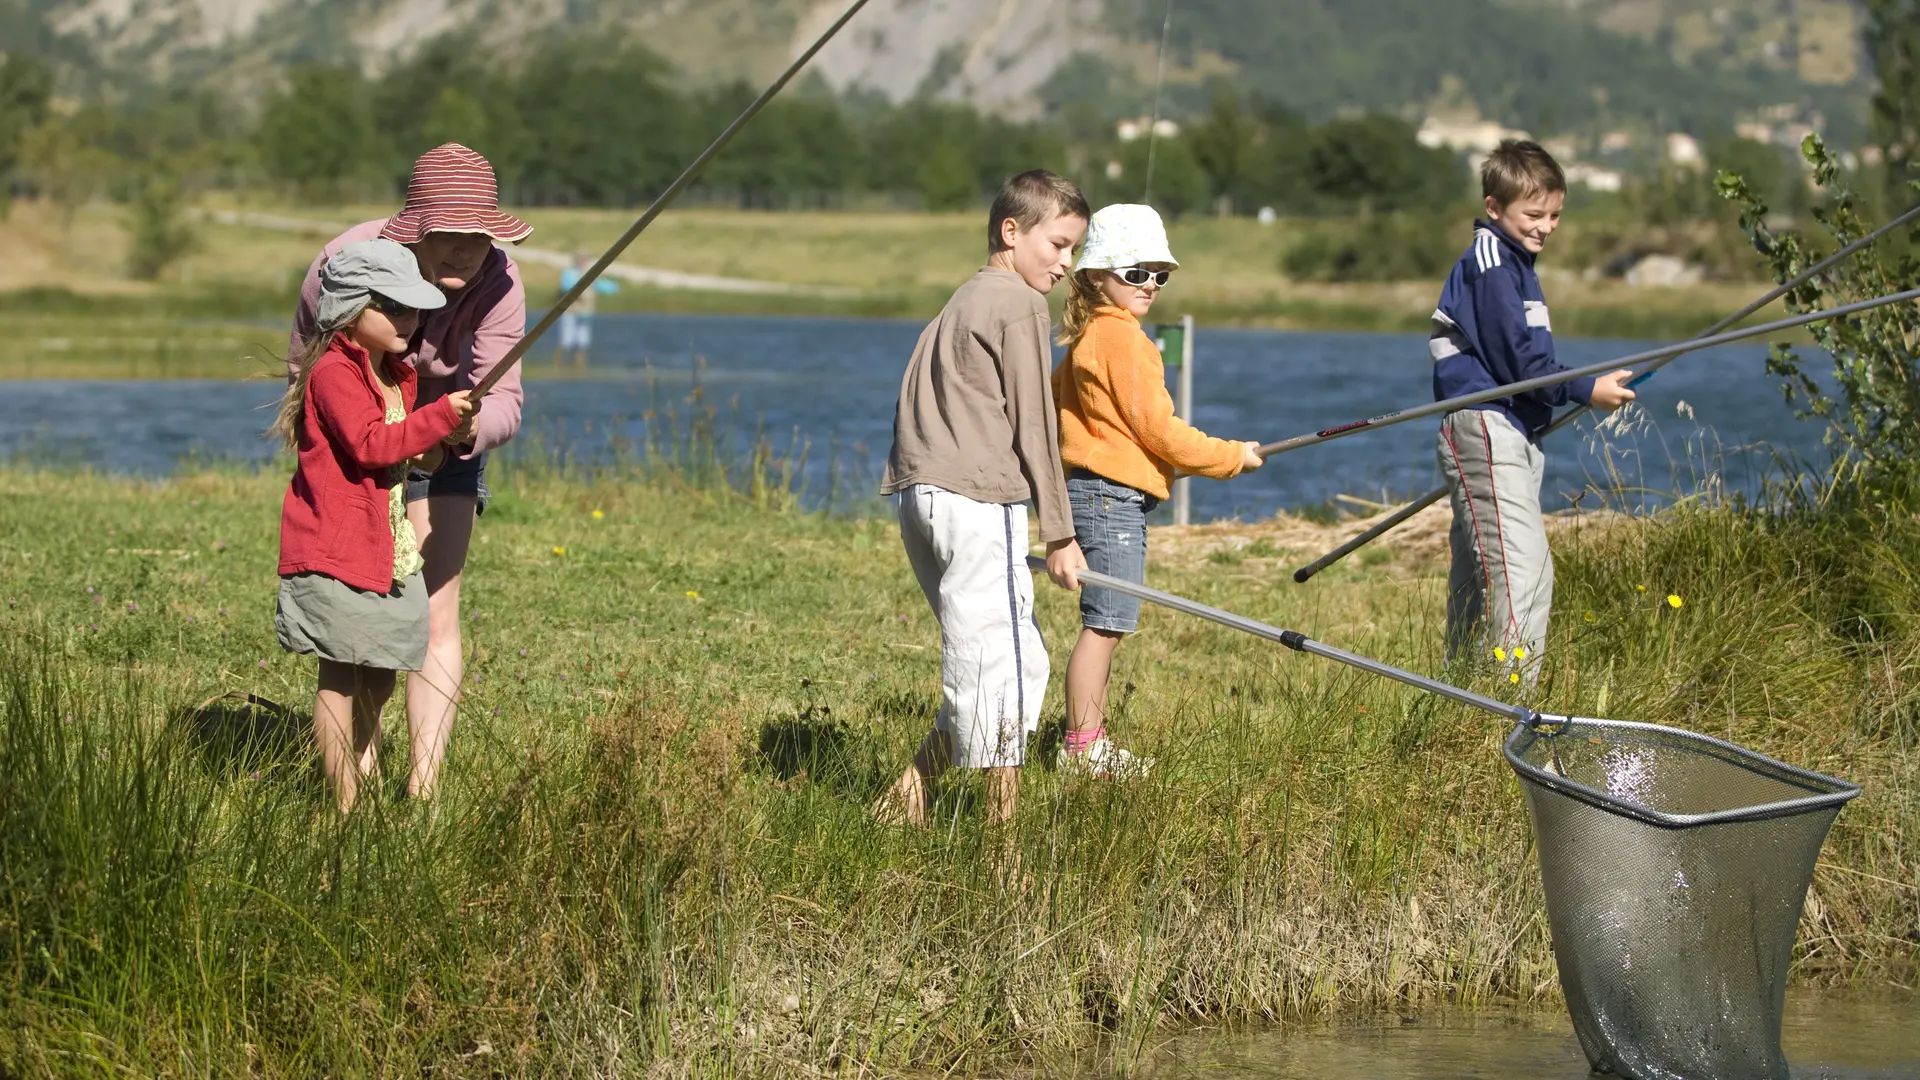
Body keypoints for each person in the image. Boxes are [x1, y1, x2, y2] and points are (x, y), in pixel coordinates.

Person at [289, 143, 531, 801]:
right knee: (368, 604)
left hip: (450, 438)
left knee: (434, 607)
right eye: (444, 238)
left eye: (475, 238)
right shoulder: (345, 267)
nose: (462, 254)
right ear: (412, 230)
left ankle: (421, 791)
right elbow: (304, 372)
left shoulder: (501, 283)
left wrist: (465, 430)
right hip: (357, 445)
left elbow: (504, 398)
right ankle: (354, 779)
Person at [874, 170, 1091, 827]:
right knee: (1005, 669)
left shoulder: (958, 302)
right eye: (1058, 245)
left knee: (1010, 661)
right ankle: (1005, 849)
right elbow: (1035, 422)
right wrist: (1060, 531)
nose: (1066, 264)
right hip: (977, 504)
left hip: (921, 498)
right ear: (1011, 231)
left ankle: (905, 800)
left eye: (1074, 249)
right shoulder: (1019, 303)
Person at [1052, 204, 1263, 777]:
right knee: (1107, 622)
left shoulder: (1088, 335)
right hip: (1110, 499)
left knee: (1108, 619)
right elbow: (1159, 431)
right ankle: (1085, 747)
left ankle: (1084, 740)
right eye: (1136, 273)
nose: (1150, 285)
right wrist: (1229, 457)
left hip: (1096, 492)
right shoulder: (1122, 340)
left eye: (1160, 274)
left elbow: (1097, 427)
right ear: (1097, 275)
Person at [271, 239, 477, 813]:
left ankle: (358, 772)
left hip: (387, 549)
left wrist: (443, 440)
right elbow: (369, 444)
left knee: (382, 674)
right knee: (339, 676)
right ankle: (345, 806)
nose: (407, 320)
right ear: (349, 309)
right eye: (391, 307)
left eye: (413, 308)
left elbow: (409, 457)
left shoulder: (396, 374)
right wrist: (436, 416)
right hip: (335, 548)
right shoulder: (334, 373)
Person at [1430, 140, 1636, 677]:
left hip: (1514, 428)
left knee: (1487, 573)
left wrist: (1575, 389)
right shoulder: (1493, 262)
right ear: (1494, 207)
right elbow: (1522, 364)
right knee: (1522, 572)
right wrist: (1586, 388)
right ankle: (1508, 702)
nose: (1546, 226)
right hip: (1485, 426)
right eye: (1534, 214)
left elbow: (1526, 365)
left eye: (1555, 215)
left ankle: (1466, 693)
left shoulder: (1516, 263)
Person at [554, 251, 619, 370]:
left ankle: (580, 367)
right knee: (566, 340)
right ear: (576, 260)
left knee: (583, 342)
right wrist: (582, 279)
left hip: (585, 313)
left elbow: (600, 285)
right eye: (581, 259)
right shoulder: (569, 273)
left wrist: (614, 287)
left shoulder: (589, 274)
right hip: (570, 311)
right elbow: (566, 286)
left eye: (585, 259)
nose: (583, 261)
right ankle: (558, 366)